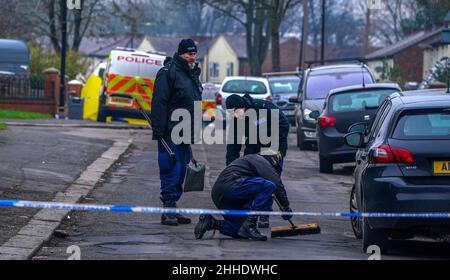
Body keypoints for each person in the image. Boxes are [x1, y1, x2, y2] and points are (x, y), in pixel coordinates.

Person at [150, 39, 203, 226]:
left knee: (181, 171)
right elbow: (159, 103)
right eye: (188, 53)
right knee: (170, 169)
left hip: (185, 132)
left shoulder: (192, 74)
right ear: (181, 54)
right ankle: (168, 210)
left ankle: (174, 206)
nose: (192, 56)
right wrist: (159, 131)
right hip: (169, 132)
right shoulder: (168, 73)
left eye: (194, 53)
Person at [225, 94, 290, 228]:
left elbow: (284, 124)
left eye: (237, 112)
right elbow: (233, 144)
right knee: (252, 179)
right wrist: (230, 166)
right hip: (253, 148)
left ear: (243, 106)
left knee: (271, 180)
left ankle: (265, 214)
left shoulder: (264, 108)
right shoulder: (236, 119)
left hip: (273, 147)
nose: (236, 116)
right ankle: (252, 213)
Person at [194, 152, 293, 241]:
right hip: (231, 186)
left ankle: (212, 223)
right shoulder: (260, 160)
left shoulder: (252, 162)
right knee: (269, 186)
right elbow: (276, 183)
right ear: (274, 161)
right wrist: (286, 207)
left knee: (241, 231)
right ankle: (250, 225)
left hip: (220, 194)